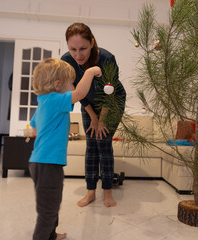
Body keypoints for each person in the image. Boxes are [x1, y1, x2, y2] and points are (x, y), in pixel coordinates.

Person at [28, 58, 102, 240]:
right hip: (48, 163)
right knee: (48, 209)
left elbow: (33, 128)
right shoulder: (54, 100)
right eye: (71, 81)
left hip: (40, 162)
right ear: (57, 84)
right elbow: (80, 93)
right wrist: (90, 72)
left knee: (51, 203)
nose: (73, 85)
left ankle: (51, 235)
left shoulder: (43, 102)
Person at [61, 23, 126, 208]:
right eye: (73, 49)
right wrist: (94, 117)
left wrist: (103, 120)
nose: (78, 55)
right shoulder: (67, 61)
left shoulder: (106, 58)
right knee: (91, 144)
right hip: (88, 103)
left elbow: (110, 93)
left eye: (83, 48)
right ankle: (90, 192)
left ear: (92, 42)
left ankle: (107, 192)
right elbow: (76, 92)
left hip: (112, 101)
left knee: (103, 141)